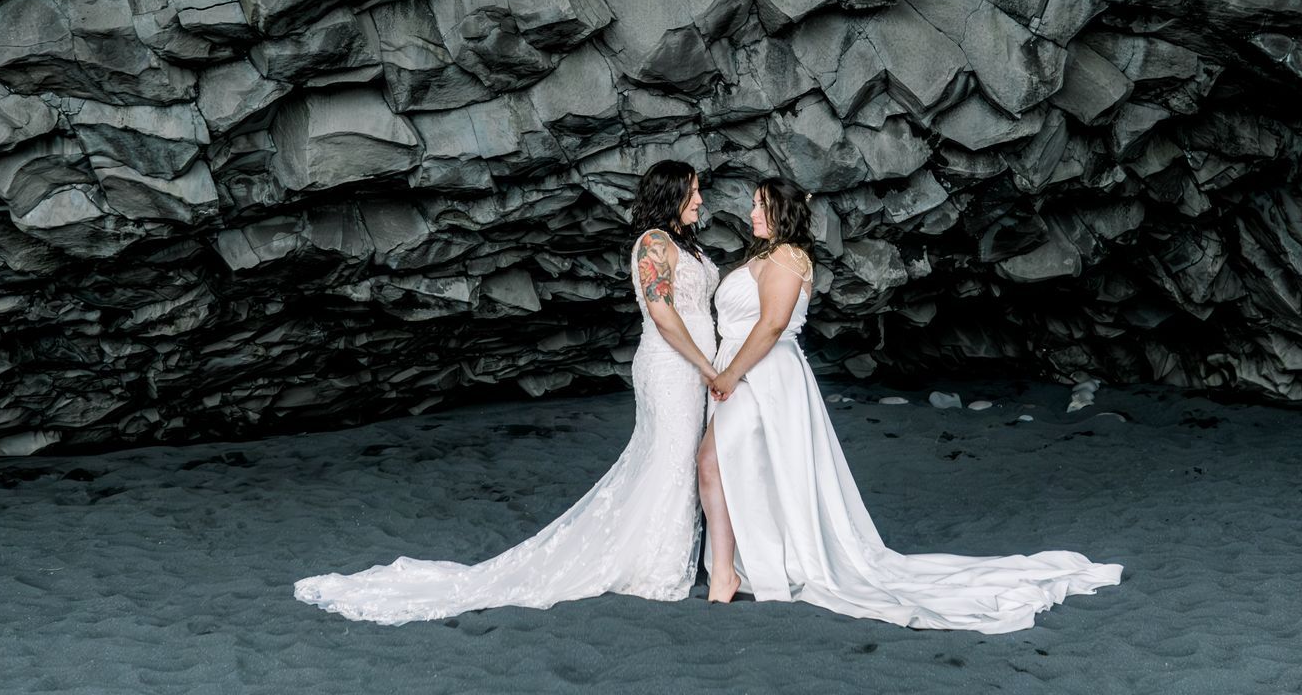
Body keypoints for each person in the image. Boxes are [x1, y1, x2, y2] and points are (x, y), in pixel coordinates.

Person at [294, 160, 720, 622]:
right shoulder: (653, 244)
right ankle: (656, 564)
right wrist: (703, 364)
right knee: (673, 459)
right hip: (673, 367)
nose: (699, 199)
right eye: (692, 191)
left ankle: (658, 552)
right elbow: (662, 313)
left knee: (674, 460)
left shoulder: (686, 245)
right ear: (671, 195)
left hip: (694, 367)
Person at [695, 177, 1123, 631]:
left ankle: (726, 573)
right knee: (742, 467)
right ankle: (737, 565)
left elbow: (772, 324)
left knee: (712, 463)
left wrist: (729, 374)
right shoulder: (767, 255)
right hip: (747, 370)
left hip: (760, 374)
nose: (752, 214)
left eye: (761, 206)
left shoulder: (786, 256)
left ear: (782, 212)